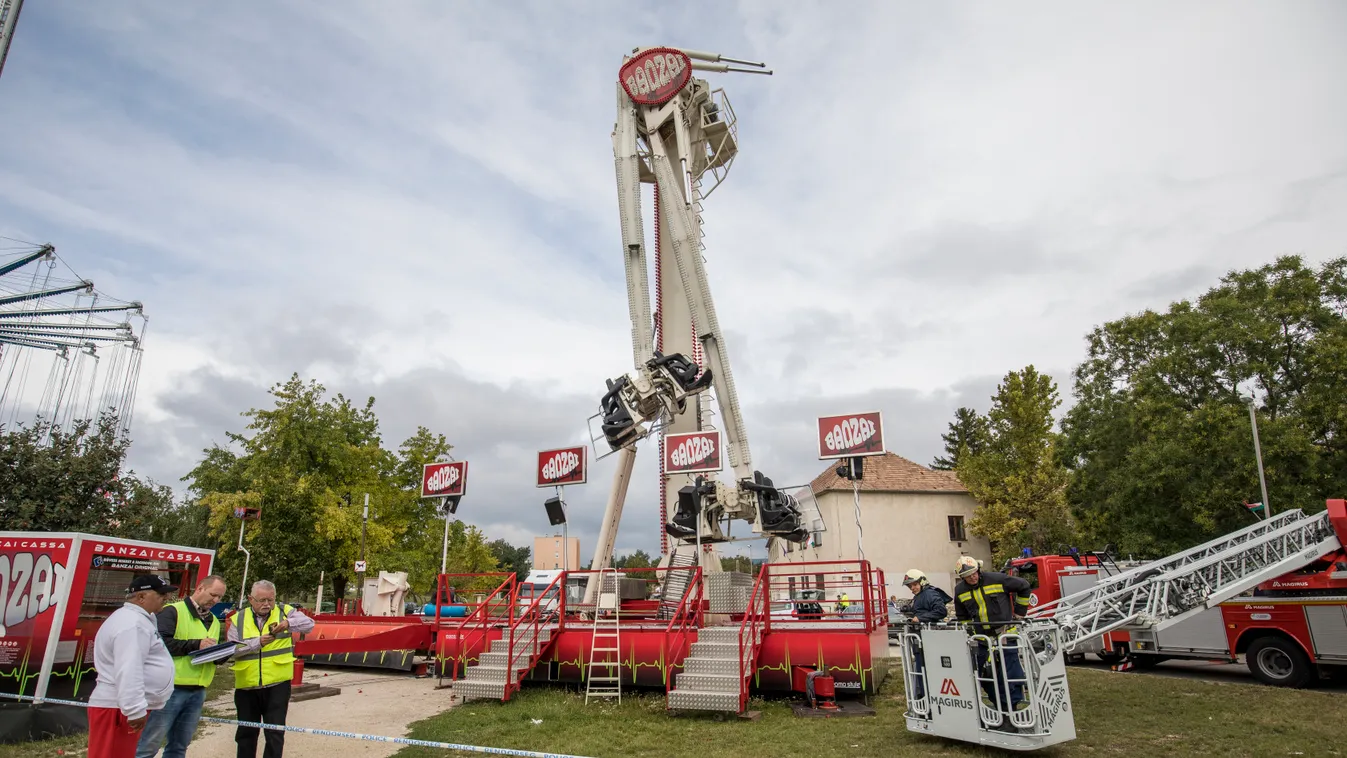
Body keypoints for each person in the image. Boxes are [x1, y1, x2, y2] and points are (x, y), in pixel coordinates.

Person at [135, 575, 228, 758]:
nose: (216, 601)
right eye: (213, 595)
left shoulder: (214, 621)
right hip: (171, 689)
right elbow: (161, 645)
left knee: (179, 746)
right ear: (200, 588)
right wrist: (196, 644)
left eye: (220, 597)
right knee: (148, 746)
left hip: (198, 690)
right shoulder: (173, 612)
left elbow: (207, 650)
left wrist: (222, 654)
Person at [88, 575, 178, 758]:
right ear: (141, 597)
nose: (166, 598)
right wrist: (134, 709)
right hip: (117, 708)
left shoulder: (137, 620)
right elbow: (129, 667)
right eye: (160, 594)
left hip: (120, 707)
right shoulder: (131, 624)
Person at [228, 580, 314, 758]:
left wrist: (288, 623)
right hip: (247, 686)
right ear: (251, 599)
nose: (267, 604)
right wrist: (255, 643)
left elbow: (309, 624)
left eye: (271, 600)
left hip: (277, 685)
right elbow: (231, 650)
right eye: (262, 600)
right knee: (246, 734)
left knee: (275, 734)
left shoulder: (285, 611)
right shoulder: (239, 618)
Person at [952, 556, 1032, 712]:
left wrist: (1020, 613)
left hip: (1005, 636)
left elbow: (1024, 586)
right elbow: (963, 617)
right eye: (968, 576)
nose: (972, 577)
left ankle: (1011, 711)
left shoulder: (997, 579)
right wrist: (970, 635)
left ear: (978, 570)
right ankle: (999, 706)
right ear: (961, 577)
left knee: (1010, 675)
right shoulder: (960, 591)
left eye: (974, 573)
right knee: (985, 676)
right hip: (982, 641)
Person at [899, 569, 952, 700]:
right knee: (921, 670)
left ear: (922, 582)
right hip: (921, 639)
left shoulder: (930, 593)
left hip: (929, 640)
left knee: (928, 671)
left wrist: (920, 618)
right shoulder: (920, 595)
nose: (912, 588)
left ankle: (928, 699)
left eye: (915, 585)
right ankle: (923, 698)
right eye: (910, 586)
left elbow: (941, 611)